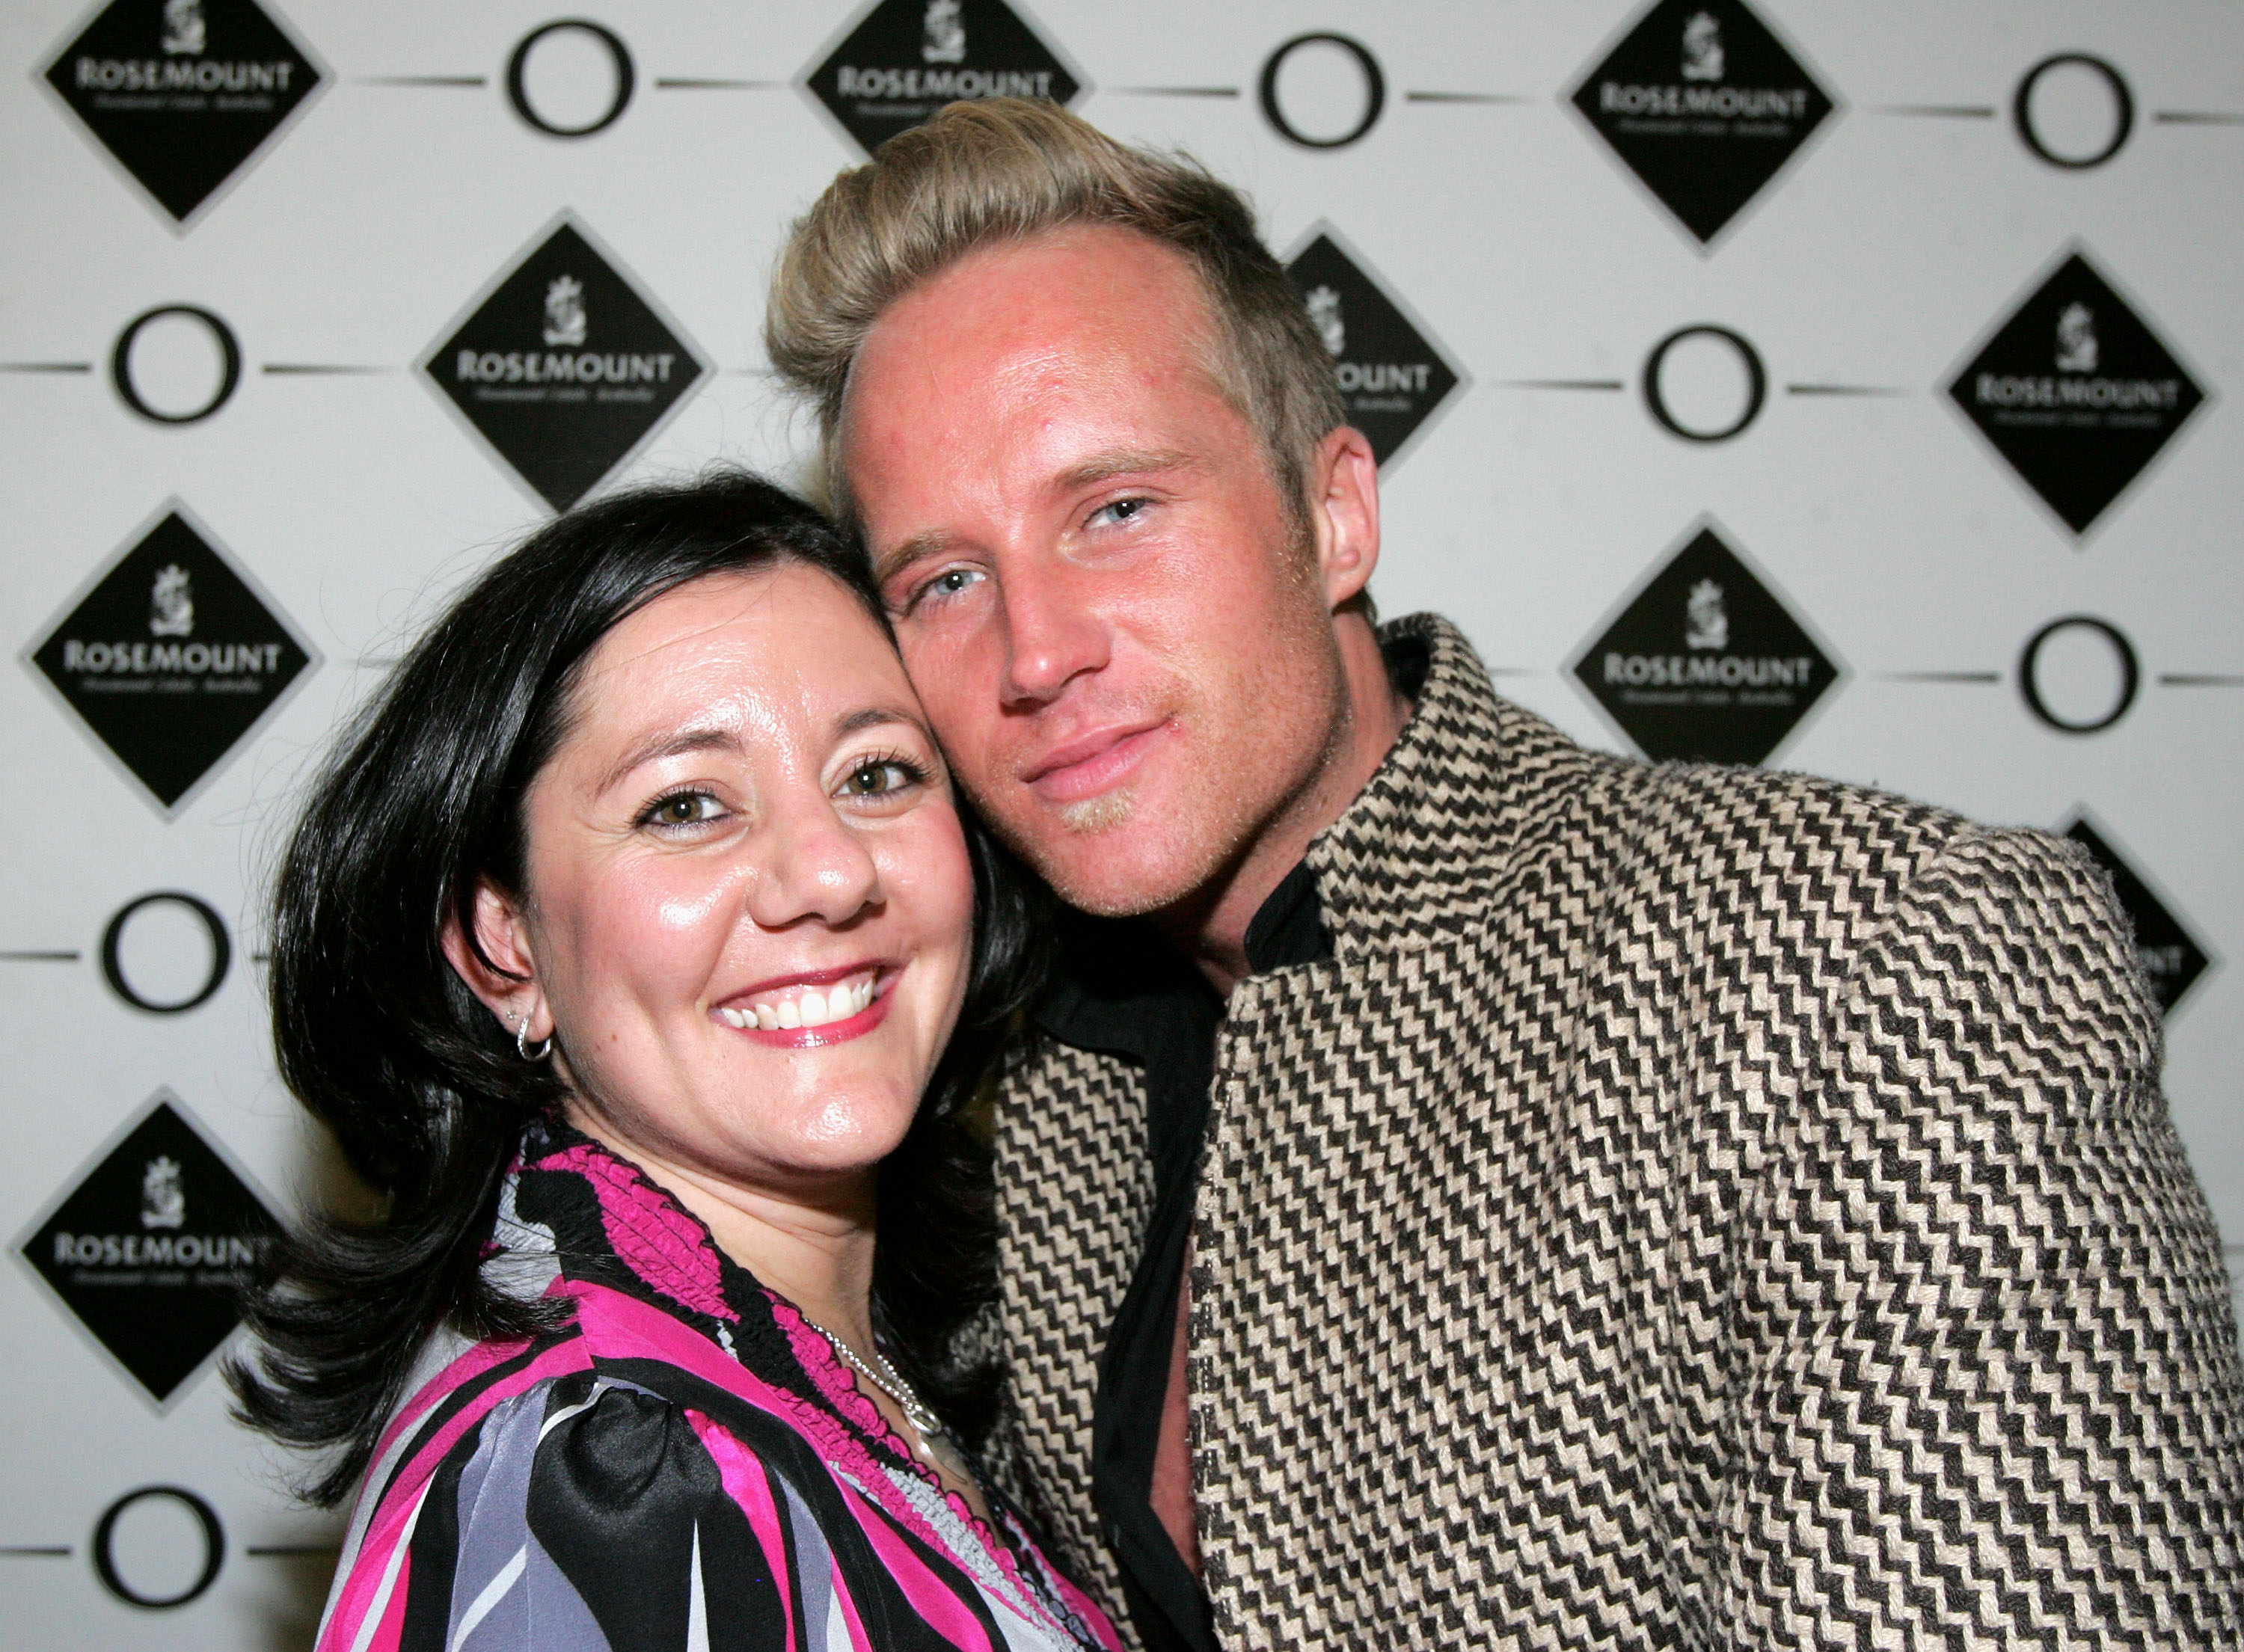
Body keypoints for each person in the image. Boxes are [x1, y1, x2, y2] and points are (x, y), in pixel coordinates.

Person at [764, 99, 2244, 1649]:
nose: (1037, 650)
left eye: (1117, 510)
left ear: (1334, 514)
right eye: (943, 578)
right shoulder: (1019, 1084)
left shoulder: (1880, 966)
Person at [230, 472, 1122, 1652]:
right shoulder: (619, 1474)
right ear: (505, 943)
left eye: (878, 774)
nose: (830, 873)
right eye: (688, 804)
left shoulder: (803, 1360)